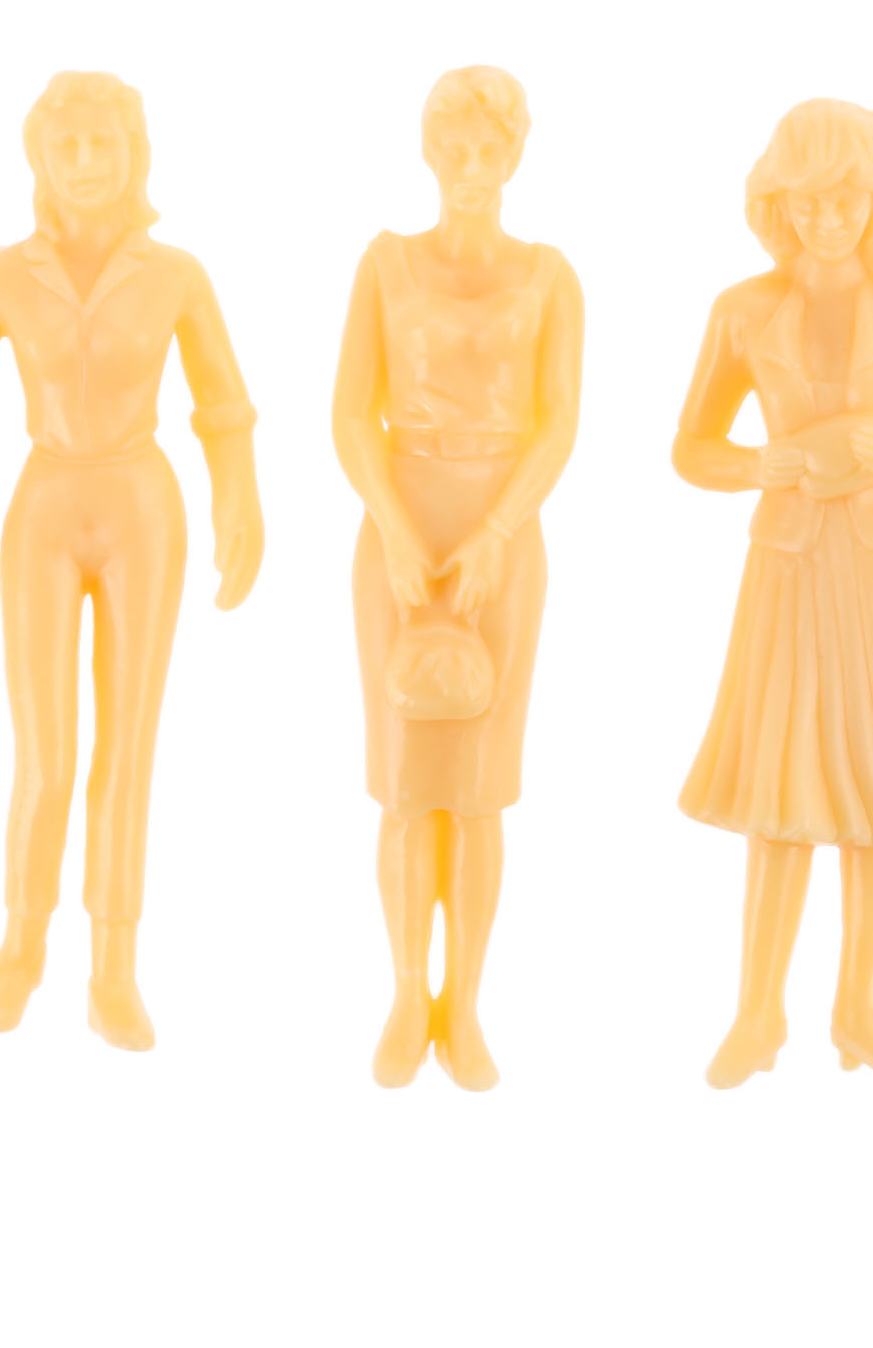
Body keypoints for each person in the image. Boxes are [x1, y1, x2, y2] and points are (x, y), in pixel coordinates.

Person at [0, 72, 264, 1051]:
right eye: (65, 146)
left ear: (135, 154)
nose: (84, 162)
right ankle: (21, 946)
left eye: (103, 143)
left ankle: (113, 965)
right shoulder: (3, 274)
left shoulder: (177, 274)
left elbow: (223, 404)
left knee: (128, 746)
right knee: (46, 752)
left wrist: (239, 498)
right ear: (37, 159)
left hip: (142, 506)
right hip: (44, 506)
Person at [674, 98, 873, 1088]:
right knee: (779, 786)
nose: (825, 218)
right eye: (807, 199)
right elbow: (690, 446)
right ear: (778, 201)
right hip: (786, 561)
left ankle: (862, 1007)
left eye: (846, 199)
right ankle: (757, 1013)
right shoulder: (740, 311)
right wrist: (755, 465)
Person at [333, 67, 583, 1089]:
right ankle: (405, 992)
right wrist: (394, 529)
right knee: (404, 782)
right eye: (455, 149)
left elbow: (559, 422)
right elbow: (351, 413)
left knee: (477, 790)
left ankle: (466, 1002)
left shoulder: (550, 276)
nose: (472, 167)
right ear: (427, 153)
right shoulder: (385, 263)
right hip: (400, 524)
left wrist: (497, 530)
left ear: (515, 156)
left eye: (490, 149)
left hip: (502, 535)